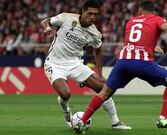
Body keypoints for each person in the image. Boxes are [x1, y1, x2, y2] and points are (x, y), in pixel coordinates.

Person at [75, 0, 167, 134]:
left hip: (123, 63)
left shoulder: (131, 21)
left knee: (104, 93)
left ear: (139, 11)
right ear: (153, 12)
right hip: (141, 63)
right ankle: (163, 118)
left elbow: (134, 41)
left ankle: (82, 121)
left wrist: (152, 48)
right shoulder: (157, 19)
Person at [41, 0, 131, 130]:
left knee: (104, 88)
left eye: (95, 14)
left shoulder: (95, 33)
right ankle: (67, 112)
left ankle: (115, 122)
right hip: (54, 63)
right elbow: (46, 21)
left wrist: (99, 74)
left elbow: (99, 51)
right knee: (65, 94)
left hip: (75, 63)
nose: (93, 17)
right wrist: (47, 27)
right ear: (83, 11)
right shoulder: (66, 18)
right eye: (90, 13)